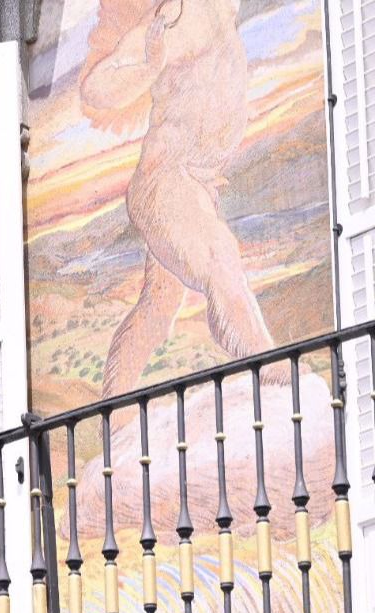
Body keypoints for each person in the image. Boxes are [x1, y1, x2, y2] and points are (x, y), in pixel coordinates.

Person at [80, 0, 289, 399]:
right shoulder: (164, 23)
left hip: (197, 186)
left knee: (156, 308)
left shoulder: (222, 7)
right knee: (219, 257)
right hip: (166, 179)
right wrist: (148, 68)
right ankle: (277, 378)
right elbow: (96, 87)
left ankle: (114, 410)